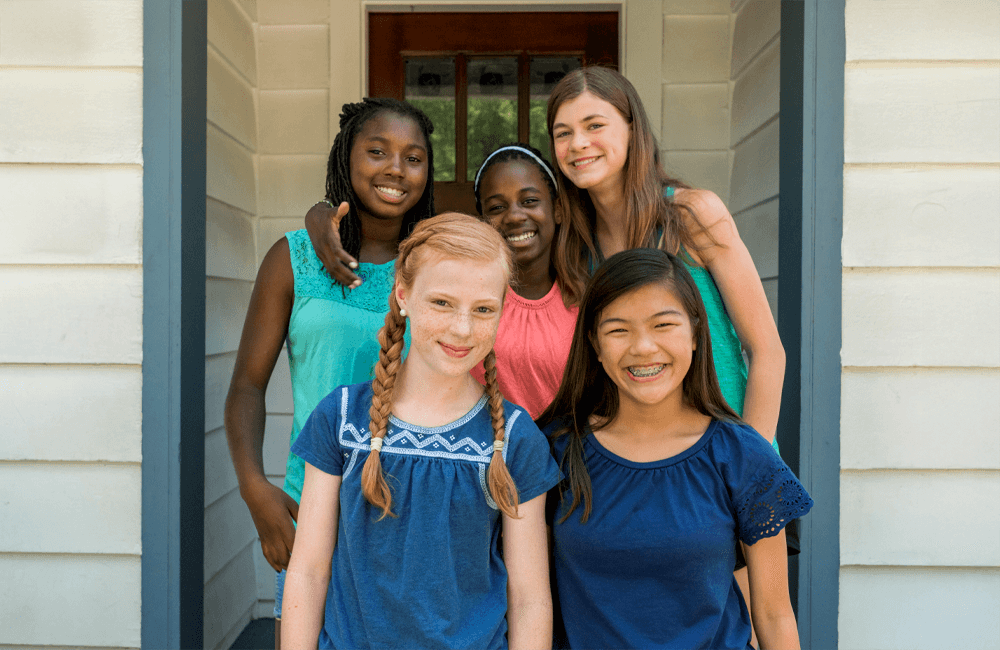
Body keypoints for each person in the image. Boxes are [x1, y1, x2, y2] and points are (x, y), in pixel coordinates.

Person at [281, 213, 562, 649]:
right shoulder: (340, 418)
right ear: (403, 294)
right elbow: (308, 571)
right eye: (442, 303)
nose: (462, 328)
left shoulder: (514, 438)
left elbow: (528, 598)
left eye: (483, 309)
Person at [224, 97, 435, 649]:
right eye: (377, 151)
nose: (395, 168)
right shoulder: (293, 258)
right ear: (347, 157)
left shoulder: (435, 264)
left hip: (413, 510)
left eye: (414, 157)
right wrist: (254, 488)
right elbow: (247, 385)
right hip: (309, 508)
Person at [538, 248, 812, 650]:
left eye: (663, 325)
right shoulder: (555, 449)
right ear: (594, 344)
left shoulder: (745, 457)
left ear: (697, 332)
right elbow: (530, 601)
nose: (643, 347)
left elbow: (773, 614)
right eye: (618, 330)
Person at [469, 143, 579, 419]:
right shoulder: (468, 300)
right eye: (497, 207)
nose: (516, 216)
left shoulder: (585, 299)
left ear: (558, 210)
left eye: (529, 201)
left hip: (566, 457)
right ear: (483, 221)